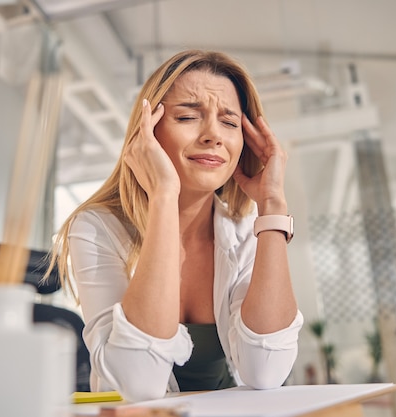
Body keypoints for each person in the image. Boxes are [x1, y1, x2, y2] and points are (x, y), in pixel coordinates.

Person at [46, 49, 304, 402]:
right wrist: (164, 196)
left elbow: (267, 371)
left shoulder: (246, 229)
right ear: (146, 133)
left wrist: (272, 205)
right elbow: (140, 384)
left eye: (229, 122)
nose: (213, 134)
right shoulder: (95, 228)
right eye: (188, 117)